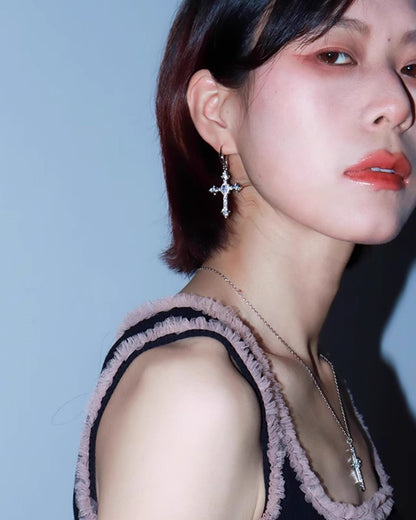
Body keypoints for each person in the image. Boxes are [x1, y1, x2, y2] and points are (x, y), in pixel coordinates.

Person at [73, 0, 416, 518]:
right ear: (218, 112)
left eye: (413, 67)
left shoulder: (318, 378)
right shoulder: (193, 394)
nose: (398, 104)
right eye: (335, 56)